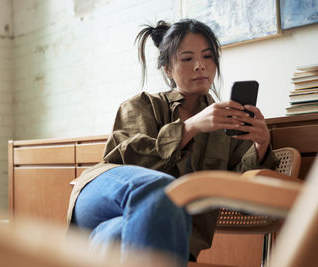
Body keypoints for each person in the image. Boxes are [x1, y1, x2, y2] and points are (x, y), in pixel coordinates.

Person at [67, 19, 279, 265]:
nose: (200, 66)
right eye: (187, 59)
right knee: (163, 189)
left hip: (168, 236)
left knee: (118, 236)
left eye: (207, 57)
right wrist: (191, 127)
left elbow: (246, 199)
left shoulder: (227, 125)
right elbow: (130, 160)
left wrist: (260, 145)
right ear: (168, 68)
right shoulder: (143, 105)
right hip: (104, 199)